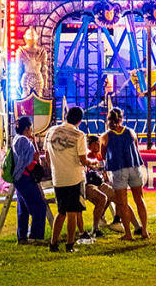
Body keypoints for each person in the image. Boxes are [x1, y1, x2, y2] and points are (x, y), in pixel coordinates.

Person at [98, 107, 149, 240]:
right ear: (122, 118)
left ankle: (128, 234)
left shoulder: (105, 136)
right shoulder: (131, 132)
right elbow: (136, 149)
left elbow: (102, 155)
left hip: (118, 169)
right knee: (139, 200)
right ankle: (144, 230)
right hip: (134, 168)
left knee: (122, 203)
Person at [47, 106, 91, 253]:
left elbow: (47, 156)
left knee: (61, 212)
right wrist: (93, 163)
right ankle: (69, 244)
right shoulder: (79, 135)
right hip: (74, 178)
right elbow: (83, 160)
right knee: (72, 212)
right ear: (79, 120)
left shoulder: (51, 132)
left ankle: (53, 243)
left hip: (58, 178)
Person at [9, 116, 47, 245]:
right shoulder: (25, 141)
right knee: (39, 207)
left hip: (19, 178)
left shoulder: (16, 139)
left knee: (23, 209)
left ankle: (22, 237)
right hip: (26, 177)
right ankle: (35, 236)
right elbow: (27, 162)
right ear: (27, 128)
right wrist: (36, 159)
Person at [84, 136, 115, 239]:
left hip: (100, 183)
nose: (98, 145)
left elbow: (104, 172)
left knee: (116, 194)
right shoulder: (87, 157)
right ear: (89, 145)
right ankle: (95, 228)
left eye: (99, 143)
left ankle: (117, 220)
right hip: (89, 184)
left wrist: (107, 179)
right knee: (102, 198)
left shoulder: (100, 156)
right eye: (96, 143)